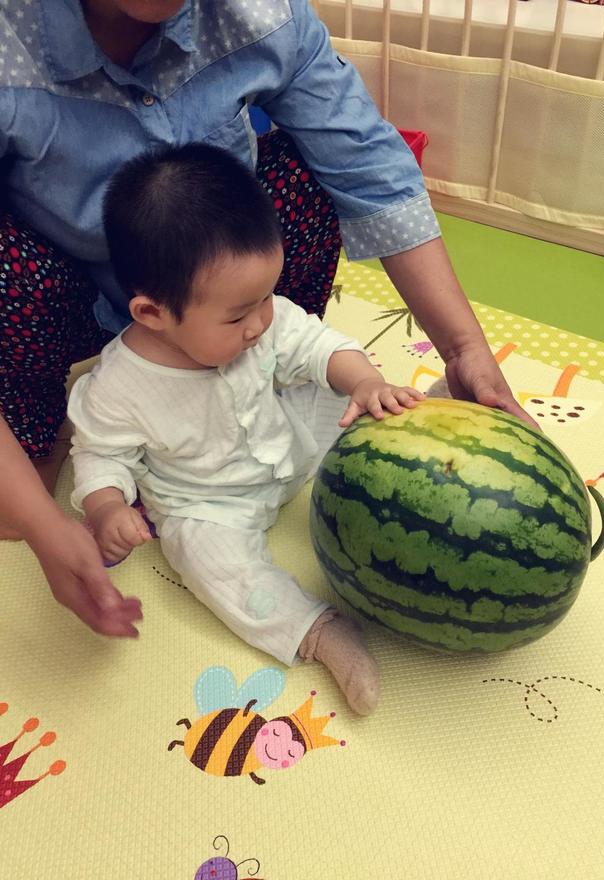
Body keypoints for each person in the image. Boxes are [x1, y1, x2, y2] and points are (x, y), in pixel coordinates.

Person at [0, 0, 533, 641]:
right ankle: (32, 425)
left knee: (314, 183)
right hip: (66, 294)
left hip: (222, 293)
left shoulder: (260, 15)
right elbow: (105, 458)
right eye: (252, 314)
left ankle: (256, 354)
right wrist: (47, 519)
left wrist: (460, 347)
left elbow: (369, 164)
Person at [68, 142, 426, 714]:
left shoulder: (264, 318)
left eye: (267, 297)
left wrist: (364, 381)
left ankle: (433, 418)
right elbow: (98, 455)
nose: (263, 321)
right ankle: (318, 631)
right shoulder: (119, 385)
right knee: (208, 563)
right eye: (239, 314)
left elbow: (316, 347)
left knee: (355, 400)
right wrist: (108, 508)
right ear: (152, 314)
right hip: (208, 501)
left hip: (291, 443)